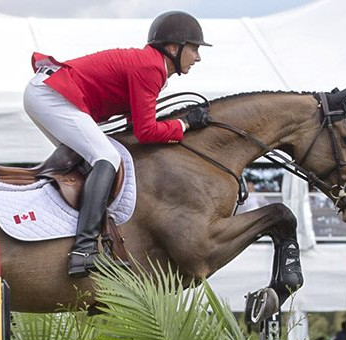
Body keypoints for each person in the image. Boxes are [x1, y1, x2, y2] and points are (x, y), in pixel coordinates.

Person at [23, 11, 212, 277]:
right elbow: (146, 131)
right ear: (173, 48)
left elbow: (135, 124)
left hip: (48, 93)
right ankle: (83, 249)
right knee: (107, 158)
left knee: (91, 159)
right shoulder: (151, 68)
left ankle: (74, 236)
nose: (198, 57)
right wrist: (185, 125)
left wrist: (179, 122)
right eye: (194, 49)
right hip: (52, 96)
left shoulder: (150, 64)